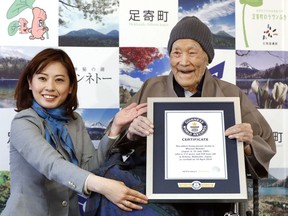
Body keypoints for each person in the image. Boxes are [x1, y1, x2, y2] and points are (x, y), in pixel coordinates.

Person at [85, 16, 276, 216]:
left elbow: (264, 143)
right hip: (152, 187)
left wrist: (246, 145)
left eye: (192, 53)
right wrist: (131, 133)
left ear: (207, 57)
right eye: (176, 53)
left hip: (210, 191)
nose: (183, 62)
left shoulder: (230, 94)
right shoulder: (151, 87)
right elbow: (117, 136)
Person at [1, 48, 149, 216]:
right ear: (30, 83)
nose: (50, 87)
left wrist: (115, 127)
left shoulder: (74, 120)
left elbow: (90, 167)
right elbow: (51, 164)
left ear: (70, 87)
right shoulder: (23, 121)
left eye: (59, 80)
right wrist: (103, 185)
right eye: (42, 78)